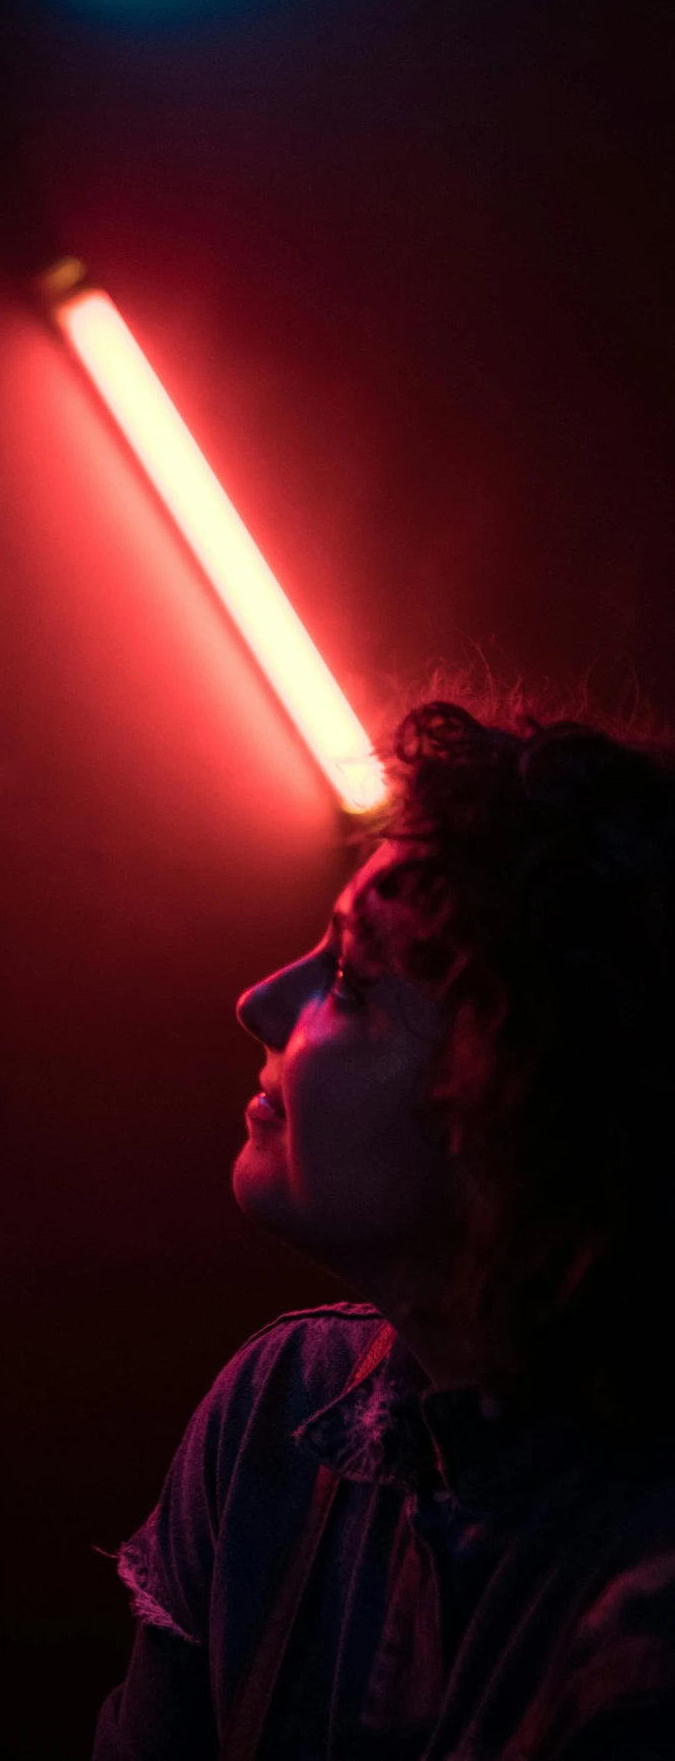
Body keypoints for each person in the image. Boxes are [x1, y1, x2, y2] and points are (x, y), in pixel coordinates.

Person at [94, 700, 675, 1761]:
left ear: (517, 1105)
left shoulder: (645, 1597)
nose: (259, 1000)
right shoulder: (273, 1417)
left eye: (353, 980)